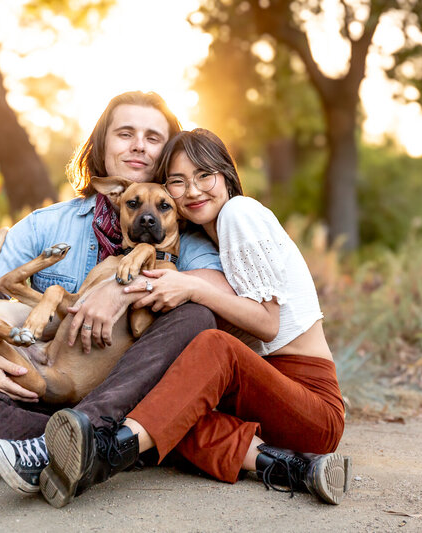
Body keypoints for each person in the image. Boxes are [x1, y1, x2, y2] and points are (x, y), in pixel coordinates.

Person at [32, 128, 350, 508]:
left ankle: (105, 453)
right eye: (178, 182)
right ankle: (294, 468)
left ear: (227, 176)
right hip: (264, 406)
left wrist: (193, 288)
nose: (194, 191)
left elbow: (268, 325)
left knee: (213, 345)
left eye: (205, 176)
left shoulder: (239, 212)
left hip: (310, 403)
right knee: (166, 406)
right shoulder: (202, 240)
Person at [0, 93, 227, 493]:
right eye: (126, 133)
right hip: (42, 385)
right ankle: (100, 447)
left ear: (168, 155)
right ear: (102, 145)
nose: (139, 145)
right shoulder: (48, 224)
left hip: (125, 398)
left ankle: (75, 441)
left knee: (198, 315)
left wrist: (125, 291)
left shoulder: (180, 227)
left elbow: (221, 291)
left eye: (153, 137)